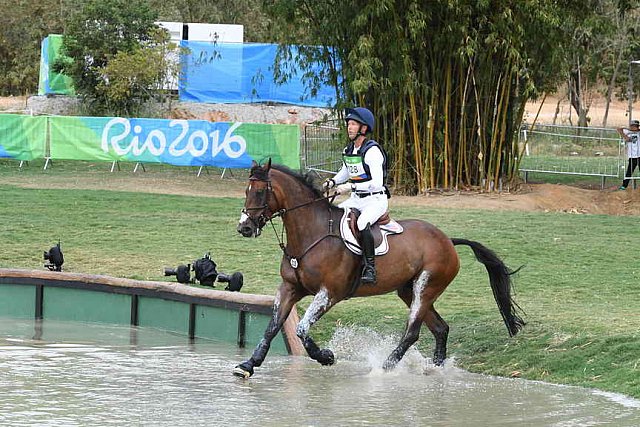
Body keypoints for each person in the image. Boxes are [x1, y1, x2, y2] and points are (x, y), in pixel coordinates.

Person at [323, 107, 389, 285]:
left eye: (353, 124)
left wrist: (350, 186)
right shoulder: (349, 149)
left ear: (364, 129)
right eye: (348, 124)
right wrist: (332, 182)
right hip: (356, 199)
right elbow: (344, 173)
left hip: (375, 200)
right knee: (334, 215)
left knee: (361, 224)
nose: (349, 127)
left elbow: (377, 183)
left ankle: (370, 268)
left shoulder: (372, 151)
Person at [616, 119, 640, 190]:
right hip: (632, 156)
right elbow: (619, 129)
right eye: (633, 126)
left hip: (639, 155)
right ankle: (624, 185)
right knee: (629, 171)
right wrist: (626, 134)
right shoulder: (628, 132)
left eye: (636, 126)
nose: (634, 128)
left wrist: (637, 130)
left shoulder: (639, 132)